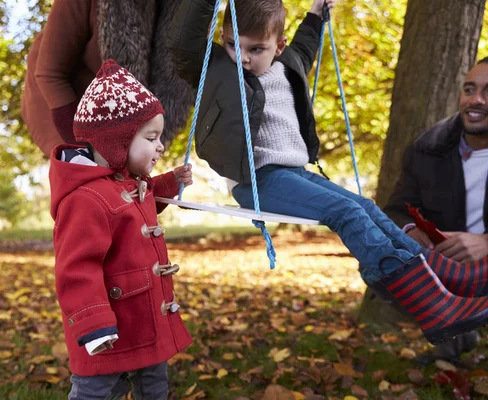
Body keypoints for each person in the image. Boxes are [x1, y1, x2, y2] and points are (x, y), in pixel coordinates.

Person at [168, 0, 488, 345]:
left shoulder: (289, 65)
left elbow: (306, 43)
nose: (242, 57)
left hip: (294, 172)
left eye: (256, 48)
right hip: (257, 180)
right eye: (234, 44)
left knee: (367, 207)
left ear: (279, 46)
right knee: (346, 212)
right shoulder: (218, 69)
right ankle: (430, 302)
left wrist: (318, 14)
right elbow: (183, 41)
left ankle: (438, 272)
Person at [49, 60, 193, 399]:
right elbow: (76, 267)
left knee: (154, 384)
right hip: (107, 327)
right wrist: (92, 324)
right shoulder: (84, 199)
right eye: (151, 137)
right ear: (116, 142)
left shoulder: (124, 184)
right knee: (98, 390)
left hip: (142, 316)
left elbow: (133, 207)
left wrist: (168, 182)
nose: (160, 146)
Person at [382, 57, 488, 362]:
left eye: (487, 91)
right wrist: (412, 232)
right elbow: (395, 210)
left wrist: (485, 243)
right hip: (445, 267)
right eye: (469, 89)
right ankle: (458, 331)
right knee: (379, 263)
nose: (475, 100)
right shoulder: (427, 149)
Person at [22, 0, 195, 156]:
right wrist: (84, 155)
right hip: (63, 109)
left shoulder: (186, 9)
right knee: (90, 186)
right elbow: (50, 75)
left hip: (120, 128)